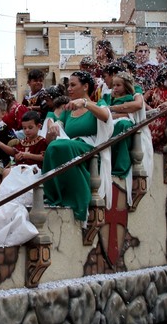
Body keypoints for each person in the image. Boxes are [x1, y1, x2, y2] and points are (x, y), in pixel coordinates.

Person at [42, 71, 114, 221]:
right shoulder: (68, 111)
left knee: (63, 146)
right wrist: (52, 129)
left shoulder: (98, 104)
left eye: (73, 85)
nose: (69, 89)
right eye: (68, 85)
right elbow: (50, 141)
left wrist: (85, 103)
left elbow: (106, 117)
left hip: (91, 148)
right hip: (71, 147)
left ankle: (76, 200)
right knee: (54, 147)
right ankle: (53, 196)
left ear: (86, 86)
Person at [0, 111, 47, 179]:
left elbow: (44, 157)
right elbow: (15, 154)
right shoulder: (22, 142)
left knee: (14, 172)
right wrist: (17, 158)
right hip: (20, 166)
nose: (27, 130)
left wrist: (29, 155)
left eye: (30, 127)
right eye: (24, 128)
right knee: (6, 171)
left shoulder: (42, 142)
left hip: (34, 168)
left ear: (38, 126)